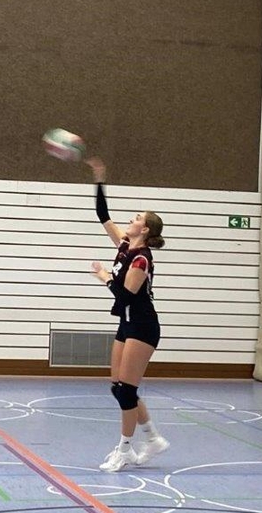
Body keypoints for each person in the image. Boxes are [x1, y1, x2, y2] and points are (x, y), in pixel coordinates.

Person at [86, 157, 171, 472]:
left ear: (144, 229)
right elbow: (103, 215)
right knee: (118, 387)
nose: (131, 220)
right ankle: (153, 438)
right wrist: (99, 179)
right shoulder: (124, 244)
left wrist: (103, 276)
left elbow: (125, 294)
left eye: (137, 218)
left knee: (127, 391)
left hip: (143, 326)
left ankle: (124, 449)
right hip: (127, 323)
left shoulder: (141, 260)